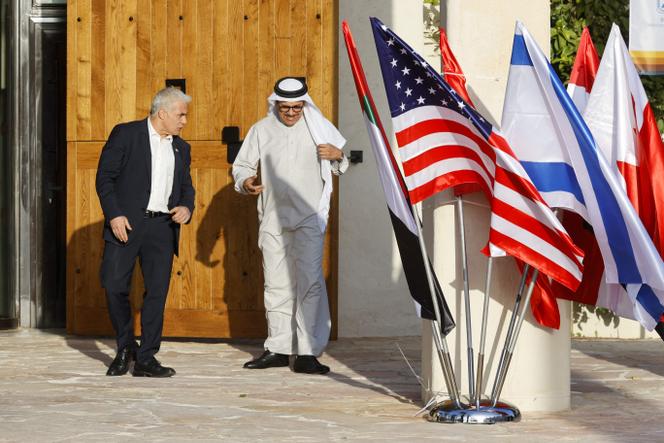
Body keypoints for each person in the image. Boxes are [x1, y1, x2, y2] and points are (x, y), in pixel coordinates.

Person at [233, 77, 348, 374]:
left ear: (305, 105)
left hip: (309, 219)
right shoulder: (261, 129)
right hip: (272, 219)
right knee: (276, 284)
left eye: (297, 107)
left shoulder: (317, 127)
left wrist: (338, 156)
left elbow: (340, 163)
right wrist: (245, 182)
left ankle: (308, 352)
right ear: (276, 104)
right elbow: (242, 165)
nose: (292, 113)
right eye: (286, 108)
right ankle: (279, 348)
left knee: (310, 283)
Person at [96, 87, 195, 377]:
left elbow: (187, 186)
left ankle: (147, 358)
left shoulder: (182, 147)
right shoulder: (126, 135)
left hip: (162, 228)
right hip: (126, 224)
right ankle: (126, 346)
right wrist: (114, 214)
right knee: (114, 285)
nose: (184, 121)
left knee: (157, 294)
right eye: (181, 115)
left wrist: (186, 207)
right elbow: (105, 178)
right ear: (162, 113)